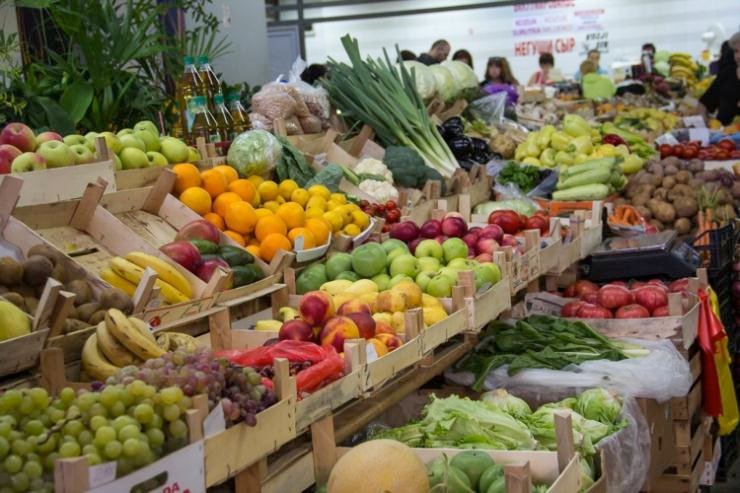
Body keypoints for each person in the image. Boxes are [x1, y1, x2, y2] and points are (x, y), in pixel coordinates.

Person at [699, 32, 740, 125]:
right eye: (736, 51)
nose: (738, 56)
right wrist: (704, 123)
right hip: (724, 137)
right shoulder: (727, 74)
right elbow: (703, 103)